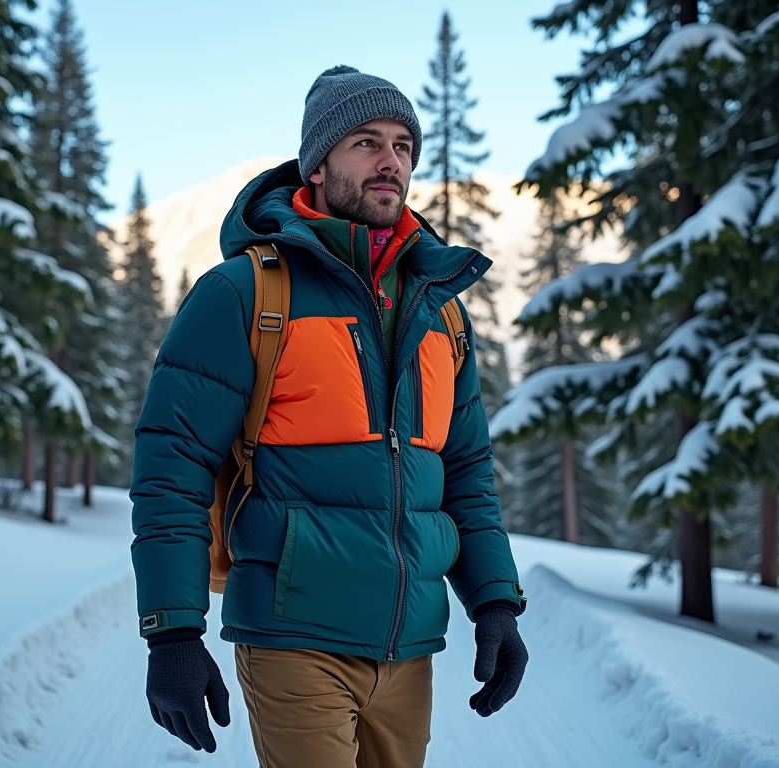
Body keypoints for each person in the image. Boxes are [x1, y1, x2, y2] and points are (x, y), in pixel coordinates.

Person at [130, 65, 528, 768]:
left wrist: (495, 601)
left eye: (404, 145)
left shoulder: (441, 309)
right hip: (294, 637)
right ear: (316, 165)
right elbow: (173, 465)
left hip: (409, 650)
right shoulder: (246, 292)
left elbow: (465, 471)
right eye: (365, 142)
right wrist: (172, 632)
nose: (389, 161)